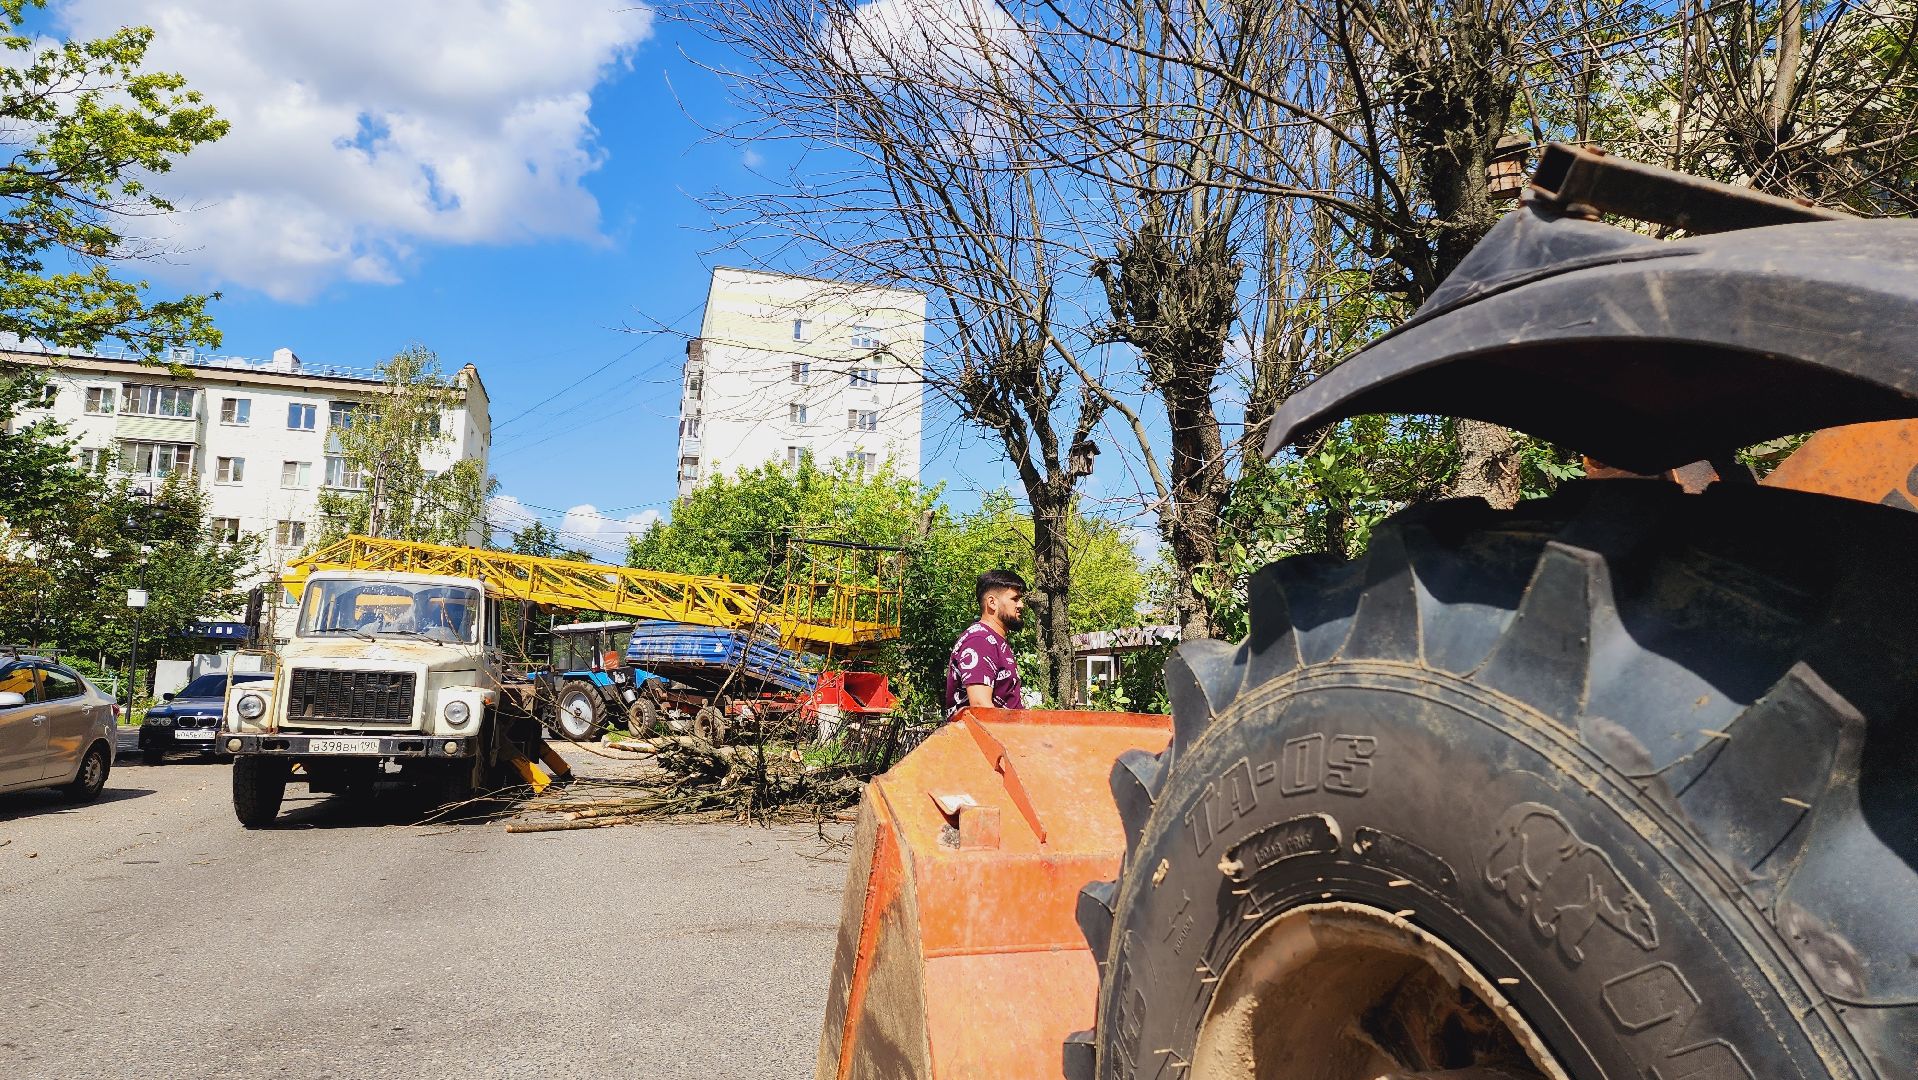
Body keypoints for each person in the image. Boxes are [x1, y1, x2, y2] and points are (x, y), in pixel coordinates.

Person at [945, 569, 1027, 719]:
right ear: (992, 602)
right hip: (983, 740)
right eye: (1015, 599)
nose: (1021, 605)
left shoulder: (993, 639)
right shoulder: (980, 640)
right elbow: (981, 706)